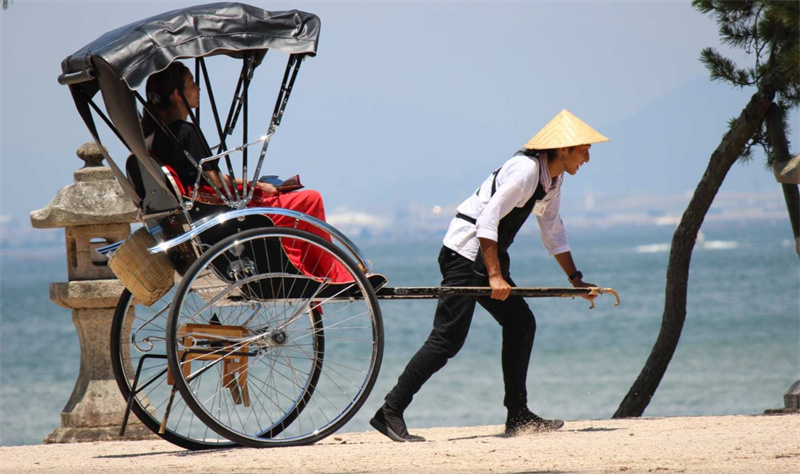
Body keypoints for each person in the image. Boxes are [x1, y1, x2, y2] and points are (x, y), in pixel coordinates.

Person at [370, 109, 609, 442]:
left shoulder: (552, 178)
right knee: (446, 340)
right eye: (584, 148)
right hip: (465, 255)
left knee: (520, 323)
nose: (588, 156)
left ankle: (518, 414)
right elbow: (487, 221)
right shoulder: (526, 171)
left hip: (488, 257)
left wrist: (576, 280)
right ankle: (390, 411)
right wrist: (494, 276)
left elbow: (552, 228)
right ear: (563, 148)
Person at [141, 61, 351, 283]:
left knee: (293, 198)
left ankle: (317, 271)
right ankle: (331, 274)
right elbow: (215, 181)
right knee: (310, 199)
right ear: (176, 94)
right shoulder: (185, 131)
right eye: (192, 84)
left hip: (196, 215)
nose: (198, 89)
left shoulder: (154, 138)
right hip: (217, 213)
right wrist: (257, 185)